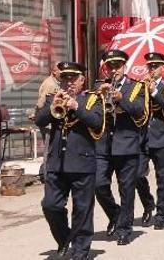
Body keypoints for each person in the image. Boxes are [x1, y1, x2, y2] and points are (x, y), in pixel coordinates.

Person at [37, 62, 103, 260]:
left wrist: (76, 106)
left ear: (82, 80)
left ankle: (81, 252)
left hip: (82, 162)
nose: (69, 83)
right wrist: (52, 106)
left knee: (82, 210)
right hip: (57, 162)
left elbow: (97, 122)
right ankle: (65, 239)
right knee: (50, 205)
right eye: (65, 78)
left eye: (73, 79)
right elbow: (40, 120)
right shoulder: (53, 98)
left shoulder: (92, 99)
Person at [94, 50, 147, 246]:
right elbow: (93, 112)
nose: (114, 70)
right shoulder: (99, 86)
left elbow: (139, 110)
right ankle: (115, 214)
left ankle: (124, 228)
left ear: (125, 66)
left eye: (118, 66)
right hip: (103, 145)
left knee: (126, 189)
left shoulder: (136, 86)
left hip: (126, 144)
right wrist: (101, 97)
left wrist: (120, 98)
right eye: (111, 66)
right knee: (98, 185)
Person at [135, 52, 164, 230]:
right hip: (143, 137)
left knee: (162, 178)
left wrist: (154, 91)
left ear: (163, 68)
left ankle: (162, 213)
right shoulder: (140, 85)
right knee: (137, 174)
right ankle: (148, 203)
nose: (152, 70)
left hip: (162, 137)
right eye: (150, 66)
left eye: (155, 66)